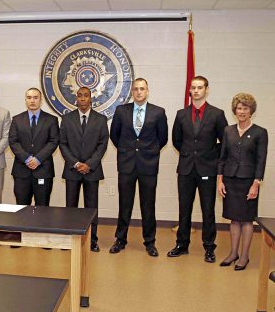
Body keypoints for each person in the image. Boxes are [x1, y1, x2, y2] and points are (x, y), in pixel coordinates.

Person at [167, 76, 228, 263]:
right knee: (184, 209)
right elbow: (176, 140)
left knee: (207, 210)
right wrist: (189, 154)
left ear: (206, 90)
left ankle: (209, 247)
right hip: (186, 169)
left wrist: (210, 156)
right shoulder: (181, 114)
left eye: (199, 87)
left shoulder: (217, 114)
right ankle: (182, 244)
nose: (196, 91)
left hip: (207, 169)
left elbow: (225, 142)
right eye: (193, 87)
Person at [109, 78, 168, 257]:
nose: (139, 92)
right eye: (135, 89)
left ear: (147, 91)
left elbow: (163, 138)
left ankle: (150, 242)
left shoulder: (158, 112)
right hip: (126, 164)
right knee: (124, 204)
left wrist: (147, 151)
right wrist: (128, 151)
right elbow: (114, 136)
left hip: (148, 165)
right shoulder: (121, 111)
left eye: (142, 89)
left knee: (148, 205)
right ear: (132, 92)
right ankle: (120, 239)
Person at [217, 93, 267, 271]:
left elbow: (261, 161)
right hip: (229, 180)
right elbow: (222, 158)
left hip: (248, 182)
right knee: (233, 219)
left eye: (246, 108)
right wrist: (220, 180)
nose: (242, 111)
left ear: (251, 110)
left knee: (246, 220)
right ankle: (233, 253)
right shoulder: (228, 131)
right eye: (239, 108)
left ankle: (244, 256)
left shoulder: (260, 132)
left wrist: (256, 184)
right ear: (234, 110)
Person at [59, 86, 109, 252]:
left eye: (85, 96)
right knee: (70, 208)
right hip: (72, 170)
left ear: (90, 99)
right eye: (79, 95)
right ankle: (69, 239)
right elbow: (63, 144)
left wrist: (89, 164)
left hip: (92, 171)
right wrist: (76, 163)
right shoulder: (66, 119)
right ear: (76, 99)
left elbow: (103, 144)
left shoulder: (101, 119)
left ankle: (92, 240)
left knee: (91, 208)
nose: (82, 98)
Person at [9, 88, 59, 206]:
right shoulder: (17, 119)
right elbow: (13, 141)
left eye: (35, 98)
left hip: (43, 170)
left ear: (41, 100)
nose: (32, 100)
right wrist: (27, 158)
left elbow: (53, 141)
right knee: (21, 207)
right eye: (29, 98)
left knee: (42, 207)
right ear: (25, 100)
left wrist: (37, 159)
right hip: (21, 171)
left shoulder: (51, 120)